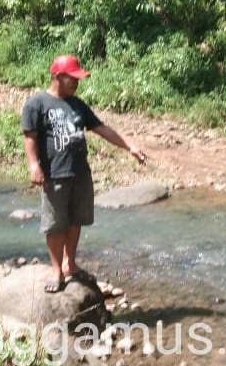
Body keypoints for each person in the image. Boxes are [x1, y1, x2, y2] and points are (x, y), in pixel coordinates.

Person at [22, 54, 147, 293]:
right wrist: (34, 166)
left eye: (78, 78)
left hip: (80, 172)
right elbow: (30, 138)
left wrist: (129, 146)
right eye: (73, 78)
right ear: (58, 76)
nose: (77, 82)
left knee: (76, 220)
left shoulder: (78, 105)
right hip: (55, 174)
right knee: (55, 223)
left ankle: (71, 263)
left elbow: (101, 129)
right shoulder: (37, 103)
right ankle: (57, 270)